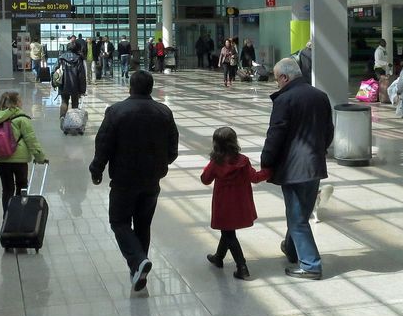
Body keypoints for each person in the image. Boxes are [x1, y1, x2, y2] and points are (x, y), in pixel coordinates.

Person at [89, 70, 179, 292]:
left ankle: (138, 262)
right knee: (142, 224)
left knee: (118, 221)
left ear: (130, 87)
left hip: (124, 179)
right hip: (152, 180)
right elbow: (173, 148)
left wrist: (97, 168)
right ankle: (138, 270)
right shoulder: (164, 112)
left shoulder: (116, 112)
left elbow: (104, 144)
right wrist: (162, 163)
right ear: (150, 88)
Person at [260, 57, 333, 280]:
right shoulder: (320, 96)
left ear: (285, 77)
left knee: (298, 218)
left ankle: (311, 265)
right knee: (300, 211)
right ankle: (292, 249)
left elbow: (276, 134)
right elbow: (329, 131)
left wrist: (266, 161)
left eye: (276, 79)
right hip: (314, 164)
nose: (276, 84)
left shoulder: (285, 100)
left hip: (293, 168)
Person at [201, 126, 269, 281]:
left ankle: (242, 267)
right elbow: (255, 178)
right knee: (227, 231)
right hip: (240, 203)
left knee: (228, 233)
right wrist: (270, 172)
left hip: (223, 205)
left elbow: (205, 179)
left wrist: (209, 166)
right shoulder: (243, 161)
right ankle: (218, 257)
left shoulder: (216, 163)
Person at [0, 91, 48, 218]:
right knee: (22, 186)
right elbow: (31, 140)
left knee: (7, 189)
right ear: (15, 104)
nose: (22, 102)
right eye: (20, 100)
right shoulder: (22, 119)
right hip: (19, 160)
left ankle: (7, 216)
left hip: (2, 159)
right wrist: (40, 157)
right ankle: (19, 213)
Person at [56, 39, 87, 120]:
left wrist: (55, 83)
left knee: (64, 101)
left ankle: (62, 117)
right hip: (75, 86)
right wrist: (83, 90)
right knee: (75, 103)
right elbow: (81, 76)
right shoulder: (78, 59)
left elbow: (54, 71)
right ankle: (74, 120)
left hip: (63, 84)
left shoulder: (61, 58)